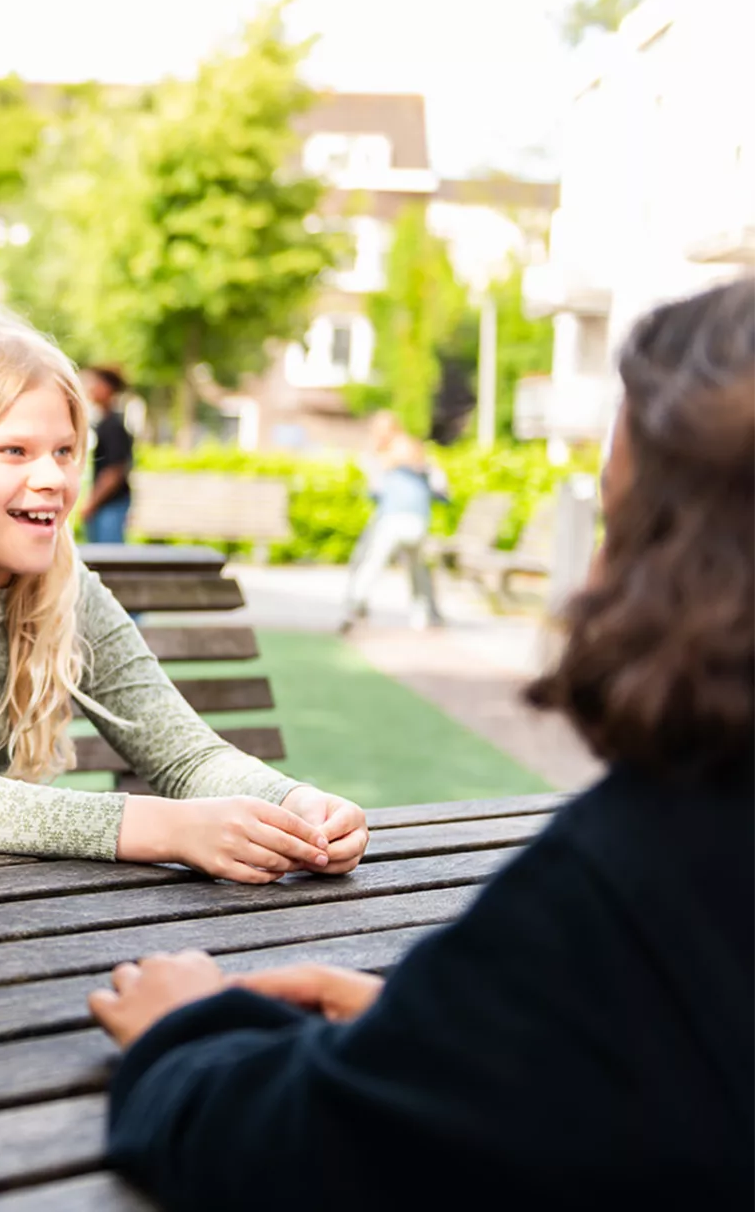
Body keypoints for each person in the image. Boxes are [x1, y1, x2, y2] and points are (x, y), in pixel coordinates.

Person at [91, 280, 755, 1208]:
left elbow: (292, 1150)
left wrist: (184, 1033)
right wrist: (460, 1036)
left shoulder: (640, 873)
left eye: (617, 523)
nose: (588, 579)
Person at [0, 315, 368, 883]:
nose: (53, 477)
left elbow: (187, 756)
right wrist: (172, 829)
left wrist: (296, 805)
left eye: (67, 450)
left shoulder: (64, 589)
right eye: (14, 450)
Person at [338, 411, 445, 633]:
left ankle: (356, 605)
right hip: (412, 519)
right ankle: (423, 615)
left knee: (373, 562)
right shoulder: (407, 456)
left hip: (398, 518)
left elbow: (377, 484)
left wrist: (379, 455)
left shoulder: (399, 450)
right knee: (416, 569)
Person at [80, 366, 134, 545]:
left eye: (94, 383)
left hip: (111, 504)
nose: (90, 388)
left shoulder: (113, 426)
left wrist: (91, 503)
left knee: (108, 557)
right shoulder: (102, 422)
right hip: (105, 505)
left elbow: (114, 472)